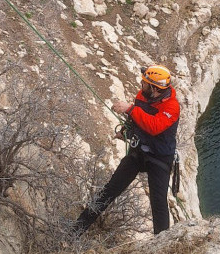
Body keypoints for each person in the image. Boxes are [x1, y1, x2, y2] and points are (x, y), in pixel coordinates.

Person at [75, 65, 180, 235]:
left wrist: (130, 108)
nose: (141, 85)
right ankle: (76, 230)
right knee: (109, 190)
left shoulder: (172, 107)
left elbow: (154, 126)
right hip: (139, 151)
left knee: (158, 203)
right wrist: (125, 132)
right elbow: (136, 120)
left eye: (144, 83)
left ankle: (161, 243)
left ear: (154, 88)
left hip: (160, 157)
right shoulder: (143, 96)